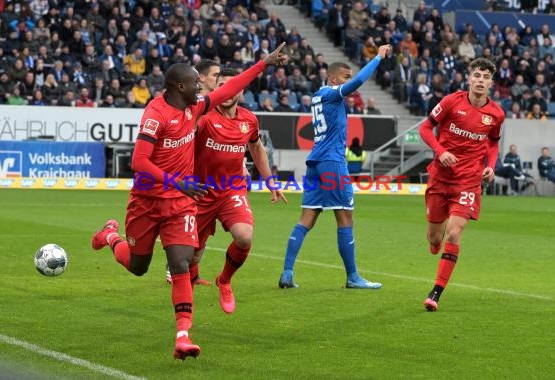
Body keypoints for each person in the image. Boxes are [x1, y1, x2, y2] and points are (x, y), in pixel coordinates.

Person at [90, 44, 287, 361]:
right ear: (179, 87)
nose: (205, 87)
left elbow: (232, 88)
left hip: (181, 200)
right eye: (198, 83)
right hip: (148, 198)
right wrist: (176, 180)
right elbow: (139, 162)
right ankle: (110, 236)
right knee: (138, 267)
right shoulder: (155, 116)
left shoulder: (195, 108)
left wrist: (263, 64)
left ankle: (183, 336)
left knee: (181, 264)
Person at [278, 44, 392, 290]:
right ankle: (353, 277)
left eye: (347, 78)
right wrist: (378, 58)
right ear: (332, 78)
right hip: (332, 161)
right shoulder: (331, 93)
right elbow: (359, 81)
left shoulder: (318, 96)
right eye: (344, 77)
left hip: (315, 162)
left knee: (307, 218)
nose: (348, 81)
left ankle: (287, 273)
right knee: (345, 217)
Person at [192, 67, 288, 314]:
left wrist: (270, 180)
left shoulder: (249, 119)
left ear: (240, 89)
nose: (226, 90)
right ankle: (190, 280)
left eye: (231, 85)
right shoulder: (203, 117)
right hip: (200, 192)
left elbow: (256, 149)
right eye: (221, 85)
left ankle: (224, 280)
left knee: (244, 236)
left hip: (230, 191)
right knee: (190, 255)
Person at [419, 57, 505, 311]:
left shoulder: (496, 114)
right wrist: (439, 150)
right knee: (435, 237)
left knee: (455, 232)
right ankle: (436, 240)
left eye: (486, 77)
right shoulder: (450, 102)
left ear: (491, 82)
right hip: (440, 177)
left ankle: (436, 292)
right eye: (477, 75)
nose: (480, 81)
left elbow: (492, 142)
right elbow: (426, 128)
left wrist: (491, 164)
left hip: (469, 180)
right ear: (469, 78)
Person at [164, 58, 221, 287]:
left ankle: (192, 273)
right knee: (189, 225)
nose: (218, 79)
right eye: (215, 75)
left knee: (204, 230)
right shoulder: (191, 105)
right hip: (189, 176)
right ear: (203, 77)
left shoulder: (213, 104)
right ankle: (175, 268)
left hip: (212, 175)